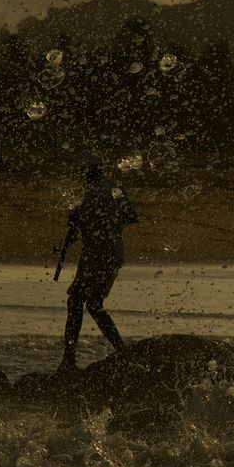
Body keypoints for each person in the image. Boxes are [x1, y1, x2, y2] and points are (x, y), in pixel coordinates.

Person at [57, 152, 139, 370]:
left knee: (76, 302)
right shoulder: (114, 188)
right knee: (94, 305)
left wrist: (83, 217)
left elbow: (124, 215)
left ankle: (69, 359)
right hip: (111, 255)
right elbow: (130, 215)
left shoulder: (93, 192)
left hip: (97, 255)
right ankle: (122, 350)